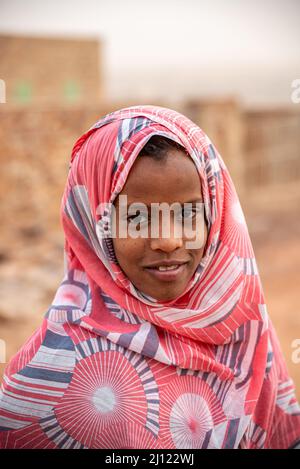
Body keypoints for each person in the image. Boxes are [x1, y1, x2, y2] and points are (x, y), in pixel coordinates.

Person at [0, 105, 299, 449]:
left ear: (214, 218)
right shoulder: (50, 378)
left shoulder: (243, 328)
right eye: (138, 217)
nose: (169, 240)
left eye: (188, 212)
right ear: (95, 223)